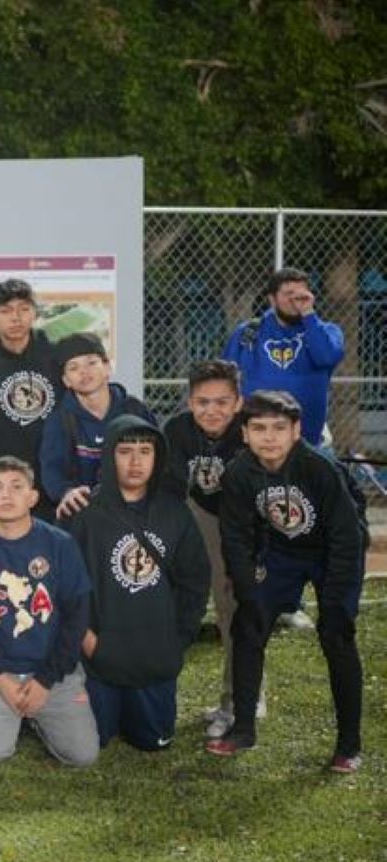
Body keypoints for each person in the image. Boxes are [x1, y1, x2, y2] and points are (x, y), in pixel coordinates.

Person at [210, 391, 365, 773]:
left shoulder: (319, 468)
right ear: (244, 433)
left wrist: (334, 599)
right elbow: (236, 536)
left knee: (336, 636)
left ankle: (349, 745)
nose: (269, 437)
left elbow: (348, 536)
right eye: (259, 428)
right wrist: (249, 592)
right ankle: (243, 728)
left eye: (280, 428)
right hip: (283, 551)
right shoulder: (241, 472)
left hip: (333, 551)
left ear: (296, 430)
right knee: (249, 625)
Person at [0, 457, 98, 767]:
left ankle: (39, 713)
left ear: (33, 497)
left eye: (16, 487)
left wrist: (46, 680)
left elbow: (76, 618)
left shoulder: (60, 545)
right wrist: (0, 678)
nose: (7, 496)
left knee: (83, 755)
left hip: (50, 669)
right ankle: (8, 711)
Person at [64, 418, 210, 750]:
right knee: (92, 740)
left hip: (154, 656)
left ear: (158, 458)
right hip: (101, 656)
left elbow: (195, 581)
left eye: (146, 451)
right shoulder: (86, 514)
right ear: (108, 457)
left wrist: (180, 638)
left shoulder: (175, 513)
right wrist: (89, 642)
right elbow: (68, 587)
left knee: (153, 743)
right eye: (125, 451)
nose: (135, 462)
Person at [161, 359, 260, 736]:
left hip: (247, 521)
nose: (211, 410)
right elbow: (171, 488)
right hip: (200, 510)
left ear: (238, 402)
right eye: (202, 402)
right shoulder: (178, 429)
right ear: (189, 402)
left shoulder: (253, 428)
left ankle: (240, 700)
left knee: (233, 608)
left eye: (222, 402)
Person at [0, 279, 65, 517]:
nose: (16, 318)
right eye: (5, 311)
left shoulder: (58, 360)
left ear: (34, 313)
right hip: (6, 489)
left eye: (23, 309)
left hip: (57, 488)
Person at [221, 267, 346, 447]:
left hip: (307, 442)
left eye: (301, 293)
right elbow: (226, 382)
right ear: (272, 299)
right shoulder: (248, 333)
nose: (296, 299)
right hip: (254, 443)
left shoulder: (326, 331)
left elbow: (325, 357)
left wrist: (309, 315)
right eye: (288, 294)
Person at [40, 334, 158, 520]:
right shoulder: (61, 419)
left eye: (91, 363)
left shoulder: (134, 410)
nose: (84, 372)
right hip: (86, 514)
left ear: (107, 368)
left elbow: (157, 458)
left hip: (134, 511)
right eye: (74, 367)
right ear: (66, 380)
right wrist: (66, 492)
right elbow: (52, 469)